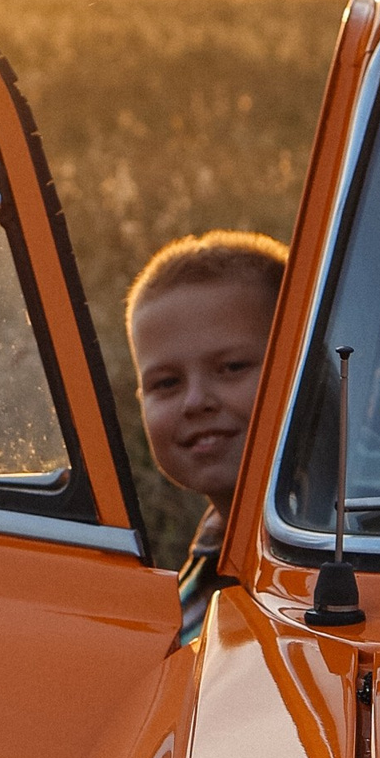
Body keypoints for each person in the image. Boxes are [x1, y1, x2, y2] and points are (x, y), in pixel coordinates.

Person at [124, 230, 289, 637]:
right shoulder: (199, 582)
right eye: (166, 383)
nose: (195, 401)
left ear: (303, 366)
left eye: (232, 367)